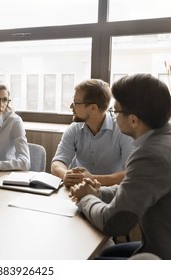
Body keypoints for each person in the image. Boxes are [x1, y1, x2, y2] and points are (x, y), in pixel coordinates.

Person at [69, 74, 171, 259]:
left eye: (114, 112)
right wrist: (99, 193)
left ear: (133, 120)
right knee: (107, 253)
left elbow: (114, 222)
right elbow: (135, 188)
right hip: (153, 245)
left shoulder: (150, 155)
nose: (113, 118)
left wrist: (86, 198)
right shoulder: (163, 141)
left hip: (160, 256)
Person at [51, 79, 134, 187]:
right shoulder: (74, 129)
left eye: (76, 102)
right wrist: (66, 175)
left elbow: (131, 173)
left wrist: (91, 179)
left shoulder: (122, 131)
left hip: (111, 194)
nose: (71, 106)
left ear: (93, 108)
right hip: (78, 190)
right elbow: (57, 162)